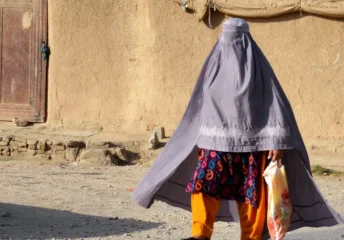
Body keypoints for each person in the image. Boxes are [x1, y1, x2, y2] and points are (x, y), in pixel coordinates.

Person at [132, 18, 343, 240]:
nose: (232, 44)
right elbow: (199, 105)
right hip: (215, 144)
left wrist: (277, 143)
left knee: (250, 196)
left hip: (251, 146)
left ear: (246, 40)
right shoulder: (213, 68)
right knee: (204, 185)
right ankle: (200, 234)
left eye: (237, 38)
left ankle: (250, 237)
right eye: (227, 37)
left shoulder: (260, 72)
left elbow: (275, 106)